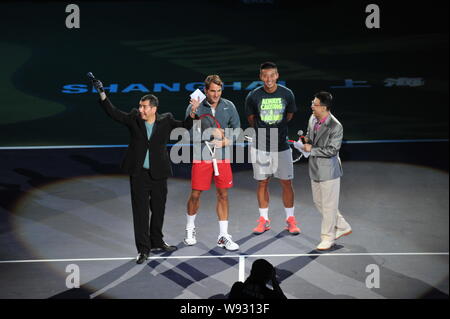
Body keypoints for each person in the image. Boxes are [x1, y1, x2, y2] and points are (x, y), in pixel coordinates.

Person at [91, 76, 199, 264]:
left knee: (158, 210)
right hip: (139, 173)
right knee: (140, 213)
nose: (141, 109)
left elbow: (185, 126)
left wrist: (193, 113)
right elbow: (113, 113)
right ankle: (143, 249)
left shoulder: (166, 120)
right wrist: (102, 93)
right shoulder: (134, 118)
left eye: (144, 107)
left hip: (159, 174)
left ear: (154, 109)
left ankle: (157, 241)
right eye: (140, 106)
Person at [184, 75, 241, 251]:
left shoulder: (228, 106)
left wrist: (226, 141)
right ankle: (190, 228)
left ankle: (223, 236)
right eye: (212, 91)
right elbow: (188, 133)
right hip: (201, 156)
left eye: (218, 91)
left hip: (222, 157)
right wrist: (210, 133)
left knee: (223, 195)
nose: (216, 95)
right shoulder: (195, 106)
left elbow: (237, 131)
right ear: (206, 90)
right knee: (195, 194)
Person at [245, 62, 301, 235]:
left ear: (277, 75)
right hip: (260, 146)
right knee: (262, 183)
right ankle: (264, 220)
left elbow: (289, 116)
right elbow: (251, 119)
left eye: (272, 75)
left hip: (282, 146)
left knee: (286, 183)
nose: (269, 79)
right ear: (261, 77)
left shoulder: (287, 94)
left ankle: (290, 220)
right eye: (265, 75)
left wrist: (275, 129)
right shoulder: (253, 96)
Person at [298, 91, 352, 250]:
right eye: (312, 103)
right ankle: (342, 225)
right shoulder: (312, 118)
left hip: (329, 171)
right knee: (319, 202)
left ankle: (328, 238)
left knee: (328, 206)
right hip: (315, 168)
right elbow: (309, 136)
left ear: (324, 107)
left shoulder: (336, 126)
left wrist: (311, 149)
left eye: (314, 104)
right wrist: (305, 141)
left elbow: (332, 150)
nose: (311, 106)